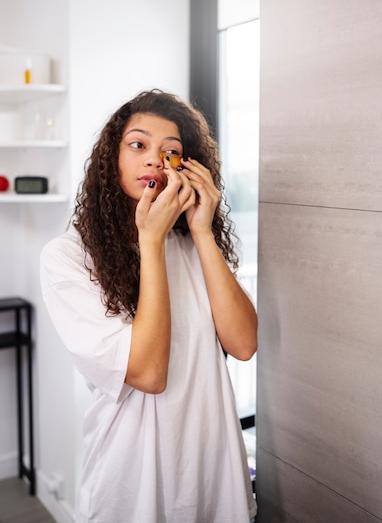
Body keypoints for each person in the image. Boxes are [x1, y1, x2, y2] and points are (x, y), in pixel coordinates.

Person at [40, 88, 258, 523]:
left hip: (211, 466)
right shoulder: (67, 257)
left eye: (170, 151)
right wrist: (151, 241)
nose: (155, 160)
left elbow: (244, 343)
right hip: (132, 480)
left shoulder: (193, 246)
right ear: (112, 158)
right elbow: (148, 373)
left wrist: (200, 231)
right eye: (138, 145)